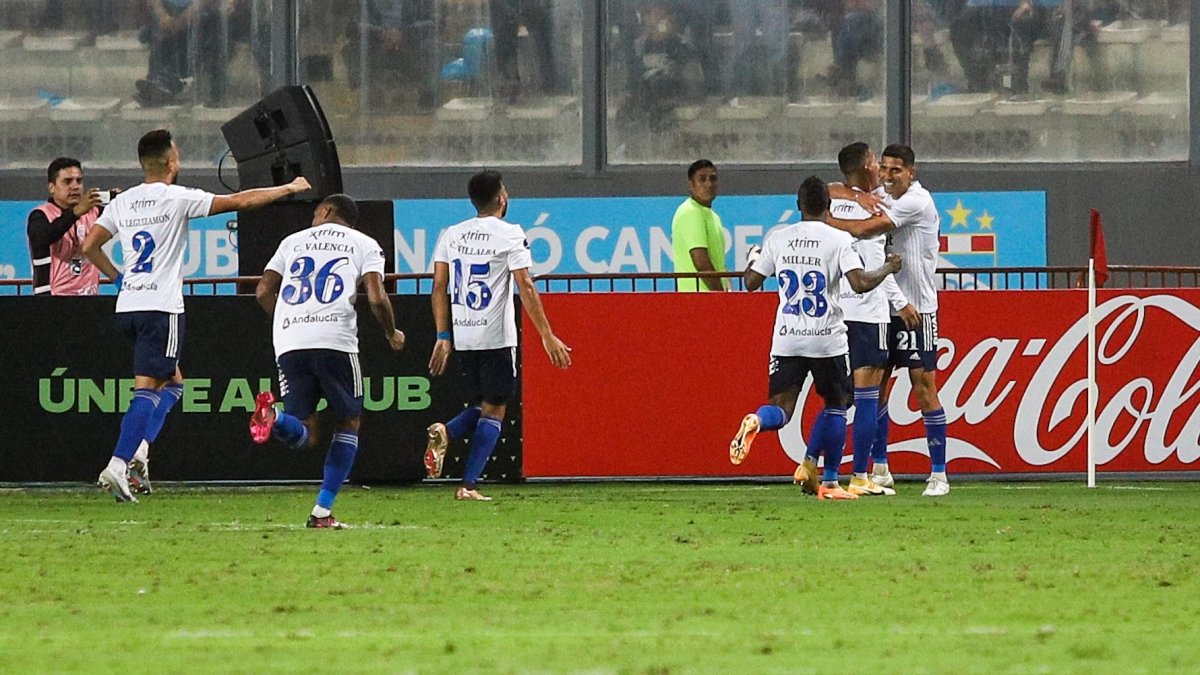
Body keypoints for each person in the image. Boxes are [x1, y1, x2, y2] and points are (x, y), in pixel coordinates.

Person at [81, 129, 310, 502]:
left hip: (129, 307)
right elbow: (241, 201)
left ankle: (139, 452)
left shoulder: (123, 202)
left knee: (173, 383)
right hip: (160, 308)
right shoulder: (177, 198)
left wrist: (120, 279)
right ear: (172, 162)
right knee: (148, 387)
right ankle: (118, 463)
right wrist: (287, 188)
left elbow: (88, 246)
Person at [728, 175, 901, 500]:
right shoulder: (838, 239)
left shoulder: (779, 238)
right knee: (836, 405)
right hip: (826, 338)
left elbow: (750, 282)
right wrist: (888, 268)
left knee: (781, 409)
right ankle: (832, 483)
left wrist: (753, 257)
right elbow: (860, 283)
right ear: (829, 206)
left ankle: (756, 421)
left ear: (798, 207)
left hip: (787, 338)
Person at [248, 194, 406, 529]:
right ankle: (322, 511)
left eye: (314, 212)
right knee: (348, 423)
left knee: (305, 431)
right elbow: (377, 297)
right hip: (336, 341)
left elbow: (262, 292)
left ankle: (275, 416)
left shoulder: (291, 242)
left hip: (289, 342)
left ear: (326, 211)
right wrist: (392, 332)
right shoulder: (364, 243)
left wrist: (286, 322)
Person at [423, 170, 572, 501]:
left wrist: (443, 335)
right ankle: (465, 478)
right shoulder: (510, 234)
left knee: (485, 405)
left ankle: (457, 456)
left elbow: (438, 285)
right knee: (496, 409)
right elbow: (525, 284)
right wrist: (546, 334)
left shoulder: (451, 233)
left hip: (464, 335)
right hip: (496, 337)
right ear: (502, 199)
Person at [823, 143, 949, 497]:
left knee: (923, 386)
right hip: (885, 310)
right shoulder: (880, 192)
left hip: (917, 308)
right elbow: (829, 188)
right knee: (876, 391)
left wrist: (826, 221)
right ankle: (880, 468)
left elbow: (866, 231)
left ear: (912, 172)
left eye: (897, 170)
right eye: (885, 167)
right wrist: (853, 194)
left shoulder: (916, 201)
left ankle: (938, 474)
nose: (888, 175)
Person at [797, 142, 919, 497]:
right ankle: (862, 475)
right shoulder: (875, 206)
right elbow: (874, 263)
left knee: (839, 398)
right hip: (867, 310)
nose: (879, 166)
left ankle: (809, 462)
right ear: (867, 165)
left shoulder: (831, 200)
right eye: (874, 161)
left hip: (835, 314)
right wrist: (900, 303)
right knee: (868, 397)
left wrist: (847, 192)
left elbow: (828, 188)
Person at [27, 157, 107, 296]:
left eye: (79, 181)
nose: (75, 186)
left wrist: (120, 201)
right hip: (52, 301)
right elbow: (44, 238)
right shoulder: (40, 215)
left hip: (90, 299)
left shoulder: (95, 211)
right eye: (67, 181)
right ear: (52, 187)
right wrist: (75, 212)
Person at [342, 0, 437, 113]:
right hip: (376, 42)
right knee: (351, 48)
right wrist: (381, 34)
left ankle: (426, 99)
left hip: (411, 42)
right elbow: (353, 24)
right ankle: (372, 96)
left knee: (433, 46)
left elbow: (433, 22)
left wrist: (403, 34)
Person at [671, 159, 727, 292]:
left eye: (713, 179)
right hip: (697, 301)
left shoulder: (714, 217)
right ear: (691, 185)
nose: (709, 184)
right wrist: (721, 295)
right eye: (702, 179)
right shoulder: (690, 212)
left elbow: (720, 264)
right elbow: (701, 262)